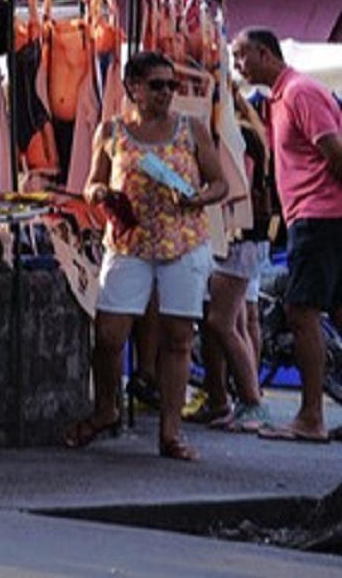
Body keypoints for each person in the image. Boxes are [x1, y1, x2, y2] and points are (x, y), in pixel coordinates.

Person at [67, 50, 228, 461]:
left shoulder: (191, 129)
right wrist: (99, 195)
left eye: (171, 85)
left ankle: (170, 432)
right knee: (108, 334)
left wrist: (198, 198)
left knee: (178, 338)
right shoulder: (112, 131)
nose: (166, 93)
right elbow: (91, 184)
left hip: (182, 241)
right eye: (157, 85)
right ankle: (106, 409)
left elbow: (220, 182)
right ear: (133, 87)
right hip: (129, 241)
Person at [232, 27, 342, 444]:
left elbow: (334, 152)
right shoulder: (282, 96)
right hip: (316, 217)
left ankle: (311, 416)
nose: (239, 65)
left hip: (319, 217)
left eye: (243, 56)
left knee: (301, 312)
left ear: (264, 53)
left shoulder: (298, 91)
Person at [188, 111, 274, 432]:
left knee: (223, 321)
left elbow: (237, 189)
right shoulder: (240, 134)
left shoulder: (236, 138)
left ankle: (251, 401)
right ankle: (223, 399)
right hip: (237, 238)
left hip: (240, 239)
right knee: (229, 319)